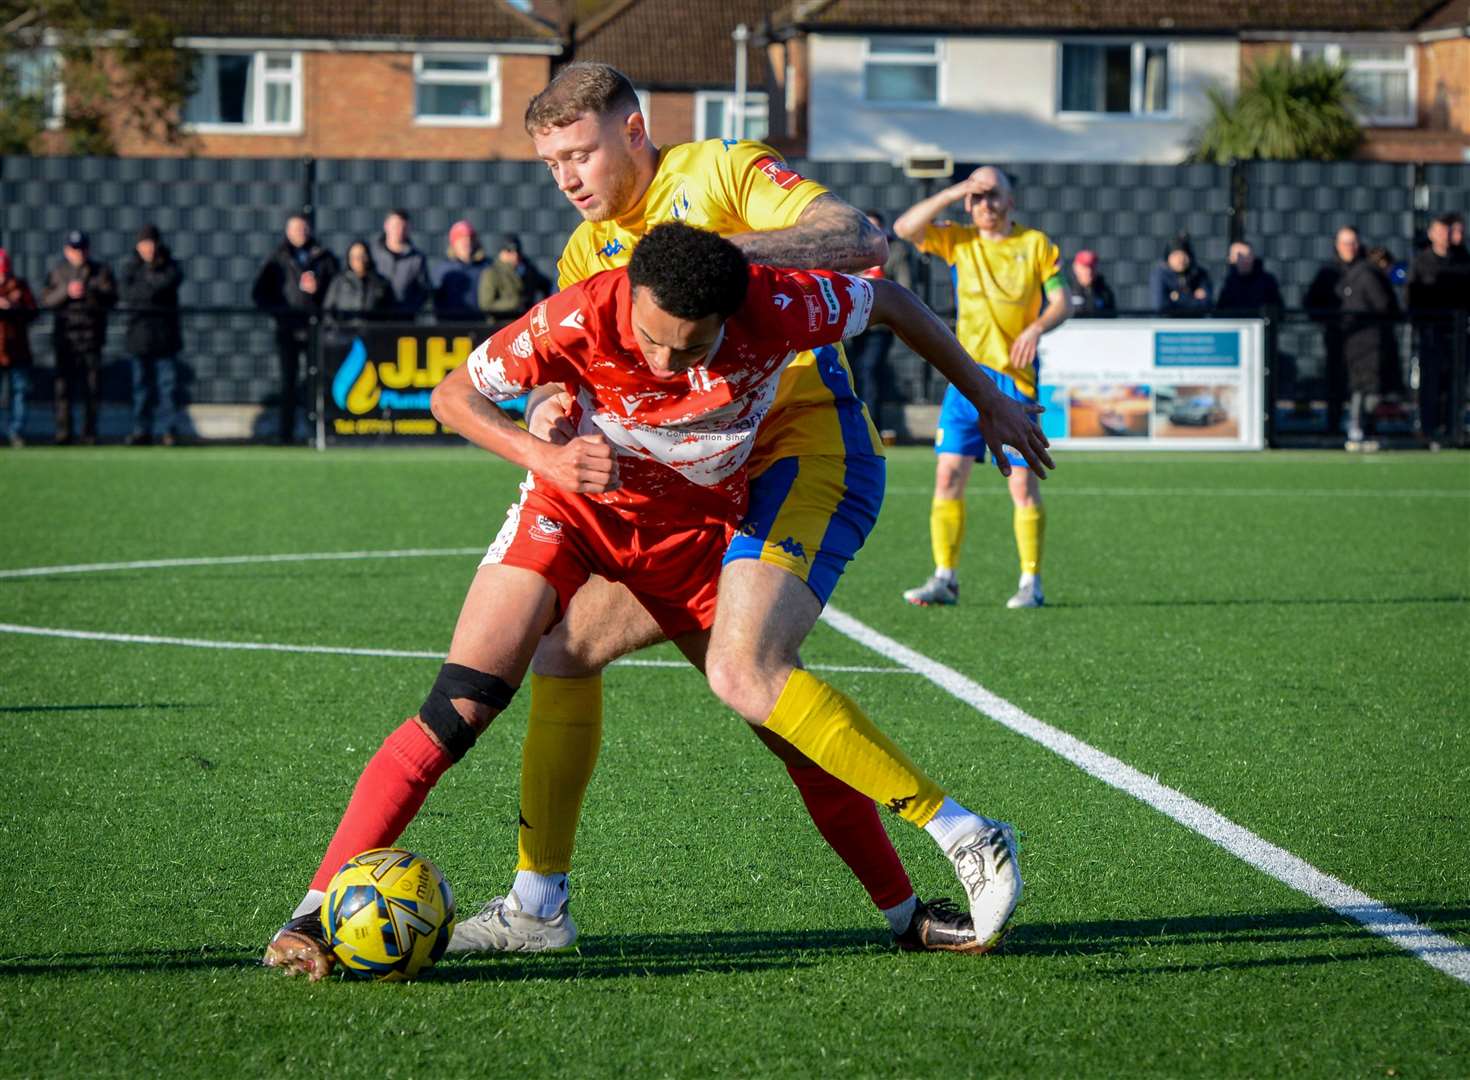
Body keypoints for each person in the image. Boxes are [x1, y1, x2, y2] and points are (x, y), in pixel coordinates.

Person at [262, 222, 1048, 980]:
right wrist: (544, 452)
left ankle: (906, 912)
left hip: (696, 540)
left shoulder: (778, 304)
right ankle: (310, 913)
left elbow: (896, 302)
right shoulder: (578, 312)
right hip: (570, 514)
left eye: (692, 344)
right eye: (654, 337)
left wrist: (985, 396)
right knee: (460, 705)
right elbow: (451, 395)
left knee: (776, 715)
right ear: (628, 293)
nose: (669, 360)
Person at [449, 63, 1051, 958]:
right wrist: (548, 415)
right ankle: (538, 906)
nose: (568, 177)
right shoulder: (584, 256)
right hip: (700, 485)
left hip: (804, 446)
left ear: (635, 131)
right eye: (551, 165)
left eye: (580, 154)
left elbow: (857, 239)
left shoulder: (722, 170)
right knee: (568, 650)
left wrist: (722, 270)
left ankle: (964, 831)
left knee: (746, 671)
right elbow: (558, 378)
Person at [894, 165, 1069, 611]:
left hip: (1015, 382)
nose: (983, 204)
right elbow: (904, 227)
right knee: (948, 474)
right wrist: (954, 191)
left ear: (1011, 201)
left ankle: (1032, 582)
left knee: (1022, 485)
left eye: (992, 195)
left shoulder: (1035, 245)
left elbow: (1063, 300)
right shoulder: (958, 240)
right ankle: (945, 578)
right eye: (977, 197)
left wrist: (1036, 327)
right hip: (965, 380)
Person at [252, 215, 339, 444]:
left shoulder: (323, 258)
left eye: (303, 228)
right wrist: (282, 313)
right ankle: (286, 434)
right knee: (288, 382)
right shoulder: (277, 259)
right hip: (288, 330)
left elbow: (337, 289)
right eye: (295, 229)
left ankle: (317, 432)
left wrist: (318, 292)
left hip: (316, 330)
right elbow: (260, 294)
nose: (300, 233)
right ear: (287, 231)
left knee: (318, 382)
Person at [41, 230, 116, 444]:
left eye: (82, 248)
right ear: (67, 250)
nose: (78, 253)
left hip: (91, 338)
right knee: (63, 389)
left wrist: (88, 291)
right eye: (74, 248)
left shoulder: (100, 271)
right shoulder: (58, 272)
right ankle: (64, 432)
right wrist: (66, 291)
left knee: (91, 390)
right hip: (65, 340)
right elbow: (46, 300)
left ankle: (89, 433)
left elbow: (111, 297)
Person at [846, 210, 913, 432]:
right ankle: (855, 423)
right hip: (855, 325)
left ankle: (871, 425)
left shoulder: (896, 251)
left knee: (868, 368)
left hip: (880, 326)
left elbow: (904, 288)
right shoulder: (851, 252)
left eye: (875, 229)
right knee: (855, 371)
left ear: (884, 230)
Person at [118, 225, 183, 447]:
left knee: (168, 389)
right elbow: (129, 294)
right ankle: (141, 430)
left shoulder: (170, 266)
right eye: (144, 244)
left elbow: (164, 285)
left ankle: (168, 431)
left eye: (151, 243)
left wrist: (146, 289)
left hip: (166, 338)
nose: (148, 248)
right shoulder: (130, 268)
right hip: (139, 339)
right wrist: (149, 289)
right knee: (141, 389)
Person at [1407, 214, 1468, 448]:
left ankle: (1453, 429)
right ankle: (1429, 430)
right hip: (1433, 334)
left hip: (1459, 336)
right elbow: (1414, 297)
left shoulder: (1462, 260)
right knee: (1431, 383)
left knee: (1456, 383)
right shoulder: (1423, 261)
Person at [1340, 245, 1401, 451]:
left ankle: (1357, 429)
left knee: (1361, 387)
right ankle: (1361, 429)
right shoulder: (1371, 276)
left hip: (1358, 342)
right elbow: (1384, 305)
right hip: (1370, 343)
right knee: (1368, 388)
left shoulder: (1357, 274)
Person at [1304, 226, 1362, 439]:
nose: (1350, 247)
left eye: (1353, 242)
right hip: (1336, 337)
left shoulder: (1366, 269)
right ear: (1337, 246)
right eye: (1345, 243)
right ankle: (1333, 426)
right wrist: (1329, 320)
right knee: (1335, 383)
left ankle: (1361, 426)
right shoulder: (1327, 273)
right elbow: (1310, 303)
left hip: (1363, 340)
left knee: (1362, 384)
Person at [0, 248, 39, 448]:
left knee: (20, 392)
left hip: (17, 349)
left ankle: (16, 432)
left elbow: (34, 312)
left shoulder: (20, 287)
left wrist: (15, 307)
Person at [478, 233, 553, 326]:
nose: (515, 255)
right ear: (502, 252)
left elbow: (546, 284)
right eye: (509, 251)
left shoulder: (529, 270)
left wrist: (542, 307)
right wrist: (514, 304)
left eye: (517, 251)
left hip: (527, 323)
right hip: (501, 324)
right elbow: (486, 304)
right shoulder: (492, 273)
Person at [370, 209, 431, 316]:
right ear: (386, 226)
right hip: (376, 318)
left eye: (403, 227)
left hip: (404, 320)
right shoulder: (373, 254)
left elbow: (423, 290)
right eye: (396, 226)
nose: (399, 231)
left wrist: (410, 309)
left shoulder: (417, 258)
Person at [430, 220, 489, 323]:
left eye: (470, 238)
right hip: (451, 328)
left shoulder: (487, 267)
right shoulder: (443, 270)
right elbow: (436, 302)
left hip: (480, 326)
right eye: (461, 238)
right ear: (453, 243)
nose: (467, 242)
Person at [322, 240, 392, 321]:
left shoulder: (380, 283)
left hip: (372, 331)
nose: (359, 260)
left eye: (362, 255)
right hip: (345, 331)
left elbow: (388, 313)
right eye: (354, 256)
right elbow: (328, 311)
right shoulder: (338, 281)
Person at [1150, 234, 1212, 316]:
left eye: (1184, 255)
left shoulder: (1200, 274)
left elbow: (1206, 304)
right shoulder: (1160, 275)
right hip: (1168, 326)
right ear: (1168, 258)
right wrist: (1192, 297)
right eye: (1176, 255)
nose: (1180, 259)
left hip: (1195, 325)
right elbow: (1161, 306)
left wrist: (1177, 297)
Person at [1214, 240, 1283, 314]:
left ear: (1253, 257)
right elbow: (1220, 310)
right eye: (1240, 256)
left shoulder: (1267, 281)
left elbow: (1277, 309)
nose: (1244, 260)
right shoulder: (1229, 282)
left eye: (1247, 256)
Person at [1066, 249, 1115, 318]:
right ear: (1075, 267)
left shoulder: (1105, 293)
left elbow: (1112, 320)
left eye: (1092, 267)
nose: (1089, 271)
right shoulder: (1066, 291)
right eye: (1084, 267)